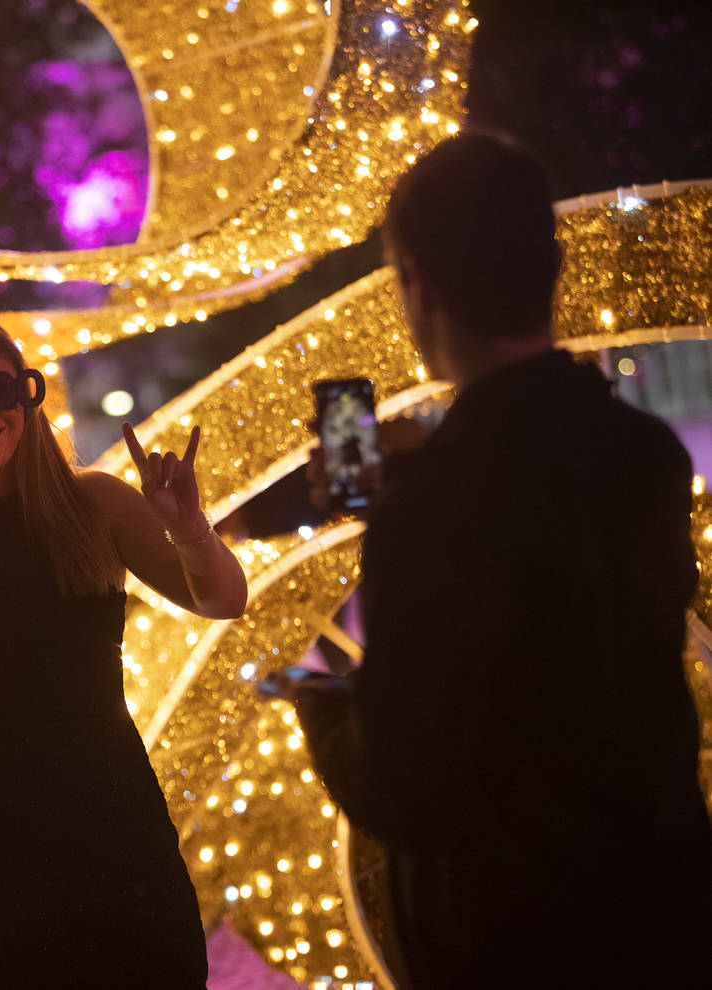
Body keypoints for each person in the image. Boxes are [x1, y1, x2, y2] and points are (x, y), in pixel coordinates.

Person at [284, 132, 712, 988]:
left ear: (417, 284)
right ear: (550, 268)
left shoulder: (430, 506)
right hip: (664, 911)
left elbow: (405, 788)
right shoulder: (648, 454)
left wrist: (320, 697)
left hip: (518, 939)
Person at [0, 317, 248, 988]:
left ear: (29, 398)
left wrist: (188, 527)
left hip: (110, 823)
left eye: (3, 389)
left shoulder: (93, 503)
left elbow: (221, 600)